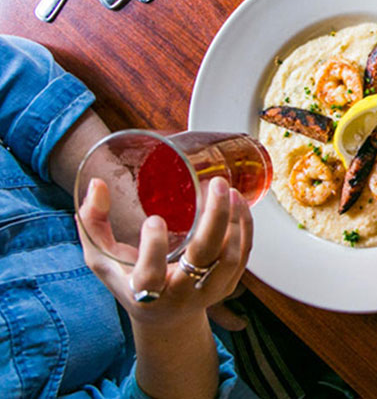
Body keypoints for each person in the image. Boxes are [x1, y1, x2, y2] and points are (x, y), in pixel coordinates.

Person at [0, 34, 254, 398]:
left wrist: (151, 238)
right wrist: (171, 321)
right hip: (191, 367)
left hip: (172, 215)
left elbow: (10, 75)